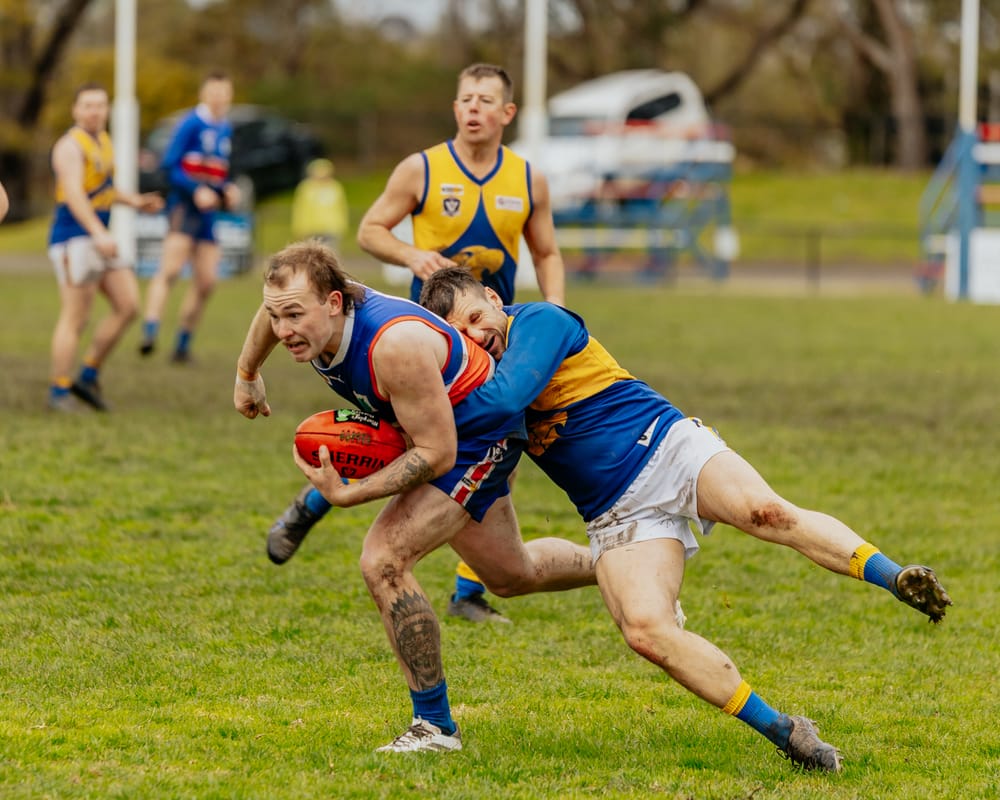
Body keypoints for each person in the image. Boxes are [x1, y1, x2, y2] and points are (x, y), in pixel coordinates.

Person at [419, 266, 954, 772]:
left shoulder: (540, 322)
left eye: (474, 317)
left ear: (493, 299)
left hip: (666, 444)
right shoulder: (474, 381)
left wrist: (428, 404)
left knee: (763, 512)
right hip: (616, 515)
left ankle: (896, 576)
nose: (475, 334)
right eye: (457, 335)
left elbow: (505, 399)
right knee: (646, 631)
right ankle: (787, 732)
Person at [232, 241, 595, 753]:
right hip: (433, 424)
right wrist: (247, 375)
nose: (284, 329)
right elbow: (271, 315)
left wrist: (350, 494)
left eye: (295, 315)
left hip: (473, 439)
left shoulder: (391, 346)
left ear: (334, 304)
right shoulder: (306, 313)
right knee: (511, 575)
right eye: (278, 315)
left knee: (383, 560)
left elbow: (438, 454)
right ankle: (622, 567)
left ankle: (435, 727)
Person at [272, 62, 569, 623]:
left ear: (507, 113)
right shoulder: (423, 168)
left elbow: (547, 251)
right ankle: (314, 500)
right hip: (424, 343)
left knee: (499, 445)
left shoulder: (528, 179)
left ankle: (469, 589)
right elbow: (369, 230)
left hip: (495, 340)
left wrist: (550, 310)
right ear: (455, 108)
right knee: (405, 441)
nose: (473, 108)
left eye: (486, 100)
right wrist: (410, 255)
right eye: (465, 99)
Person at [47, 82, 164, 412]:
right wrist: (99, 232)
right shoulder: (69, 146)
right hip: (73, 237)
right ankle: (58, 390)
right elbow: (73, 194)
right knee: (76, 317)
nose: (95, 111)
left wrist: (136, 201)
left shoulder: (104, 142)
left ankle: (88, 373)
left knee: (128, 306)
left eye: (100, 105)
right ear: (75, 110)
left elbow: (104, 189)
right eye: (88, 105)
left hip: (99, 237)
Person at [139, 71, 240, 362]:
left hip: (208, 213)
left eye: (224, 93)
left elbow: (219, 170)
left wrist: (226, 189)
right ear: (204, 94)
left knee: (207, 281)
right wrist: (196, 190)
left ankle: (182, 344)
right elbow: (170, 166)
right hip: (184, 207)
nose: (220, 98)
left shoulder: (226, 128)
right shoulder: (190, 124)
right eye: (214, 92)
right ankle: (150, 329)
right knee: (170, 270)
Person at [290, 158, 349, 248]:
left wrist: (342, 225)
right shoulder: (306, 187)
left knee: (330, 252)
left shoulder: (335, 186)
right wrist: (300, 227)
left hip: (331, 227)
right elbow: (300, 209)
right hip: (311, 228)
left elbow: (342, 207)